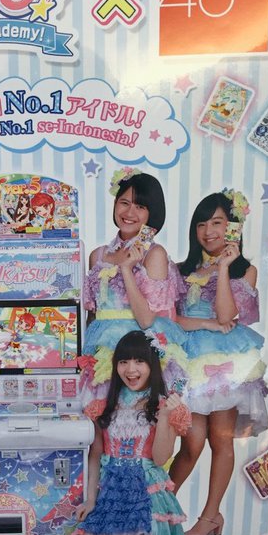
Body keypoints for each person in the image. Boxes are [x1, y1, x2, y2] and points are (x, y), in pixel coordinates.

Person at [169, 190, 268, 535]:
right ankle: (160, 511)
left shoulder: (245, 271)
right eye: (202, 224)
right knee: (191, 442)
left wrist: (224, 268)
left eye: (217, 223)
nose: (209, 231)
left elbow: (228, 316)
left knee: (220, 440)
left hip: (225, 363)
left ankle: (211, 515)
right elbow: (171, 318)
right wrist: (206, 324)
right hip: (189, 361)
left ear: (233, 227)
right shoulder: (181, 271)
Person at [74, 331, 190, 535]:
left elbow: (160, 459)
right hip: (109, 494)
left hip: (143, 496)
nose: (130, 369)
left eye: (139, 361)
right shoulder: (103, 406)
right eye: (123, 361)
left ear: (152, 365)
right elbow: (95, 455)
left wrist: (164, 417)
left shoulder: (166, 406)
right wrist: (90, 500)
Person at [80, 168, 187, 407]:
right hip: (100, 347)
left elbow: (146, 320)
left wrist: (127, 269)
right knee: (99, 417)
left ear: (151, 213)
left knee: (137, 418)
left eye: (140, 206)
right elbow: (92, 315)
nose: (129, 213)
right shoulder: (98, 255)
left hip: (137, 351)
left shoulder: (154, 254)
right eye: (124, 203)